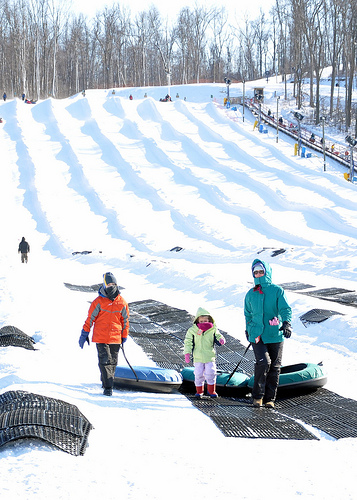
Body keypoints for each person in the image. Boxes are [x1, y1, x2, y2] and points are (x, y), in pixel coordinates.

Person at [244, 259, 292, 408]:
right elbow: (248, 314)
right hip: (257, 335)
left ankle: (270, 399)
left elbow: (285, 309)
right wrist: (248, 329)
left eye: (260, 271)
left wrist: (286, 323)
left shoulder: (277, 291)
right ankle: (257, 396)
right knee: (263, 362)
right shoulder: (250, 294)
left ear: (267, 272)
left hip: (275, 333)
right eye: (255, 272)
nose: (258, 274)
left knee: (275, 367)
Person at [79, 272, 130, 396]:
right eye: (109, 284)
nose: (111, 286)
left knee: (113, 362)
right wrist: (84, 333)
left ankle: (106, 381)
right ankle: (108, 387)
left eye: (113, 284)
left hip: (115, 338)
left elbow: (125, 321)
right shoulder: (98, 302)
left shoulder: (122, 302)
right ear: (104, 285)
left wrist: (124, 335)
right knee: (105, 361)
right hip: (101, 337)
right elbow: (90, 318)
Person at [184, 307, 225, 398]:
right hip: (198, 357)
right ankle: (199, 391)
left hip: (209, 356)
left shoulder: (213, 329)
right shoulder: (192, 330)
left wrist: (221, 339)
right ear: (197, 321)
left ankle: (211, 391)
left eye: (205, 321)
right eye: (201, 321)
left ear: (209, 320)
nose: (203, 323)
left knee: (211, 373)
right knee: (198, 374)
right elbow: (188, 342)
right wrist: (187, 353)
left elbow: (218, 335)